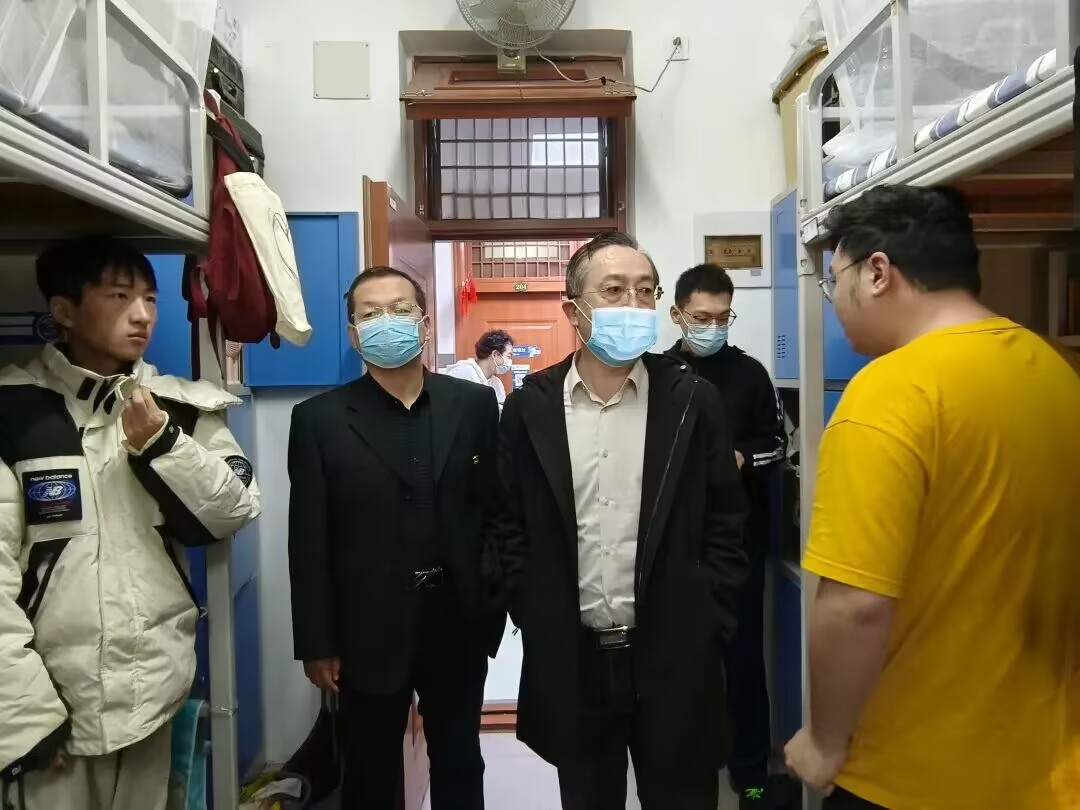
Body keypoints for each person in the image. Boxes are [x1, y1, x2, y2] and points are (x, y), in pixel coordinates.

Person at [784, 185, 1080, 809]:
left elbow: (856, 605)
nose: (834, 301)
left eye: (834, 280)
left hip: (912, 775)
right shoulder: (1055, 368)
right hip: (1043, 770)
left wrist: (824, 742)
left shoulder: (889, 394)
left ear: (878, 272)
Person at [486, 231, 749, 810]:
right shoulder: (531, 407)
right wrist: (533, 608)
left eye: (645, 290)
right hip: (574, 658)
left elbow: (726, 521)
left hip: (674, 655)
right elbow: (508, 521)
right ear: (572, 311)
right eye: (613, 290)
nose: (633, 303)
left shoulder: (692, 401)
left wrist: (707, 616)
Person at [0, 235, 262, 810]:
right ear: (64, 310)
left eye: (150, 298)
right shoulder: (12, 410)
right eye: (119, 296)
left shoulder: (182, 406)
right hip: (52, 709)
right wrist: (26, 722)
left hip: (153, 697)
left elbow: (234, 510)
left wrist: (164, 445)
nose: (142, 314)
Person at [287, 266, 503, 810]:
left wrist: (494, 599)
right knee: (370, 773)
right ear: (354, 333)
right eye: (371, 313)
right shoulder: (318, 421)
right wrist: (315, 641)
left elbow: (496, 510)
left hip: (457, 620)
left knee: (460, 761)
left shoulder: (474, 405)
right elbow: (308, 540)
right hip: (365, 628)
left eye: (401, 310)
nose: (388, 321)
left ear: (424, 324)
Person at [665, 263, 788, 810]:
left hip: (738, 543)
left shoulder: (751, 374)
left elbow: (777, 444)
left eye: (722, 317)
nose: (712, 327)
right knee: (679, 664)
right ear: (678, 314)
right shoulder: (658, 373)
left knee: (742, 663)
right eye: (702, 317)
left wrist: (741, 458)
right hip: (673, 549)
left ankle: (751, 776)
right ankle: (682, 767)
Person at [444, 329, 515, 412]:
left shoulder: (497, 384)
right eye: (509, 356)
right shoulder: (461, 373)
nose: (510, 361)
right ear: (495, 354)